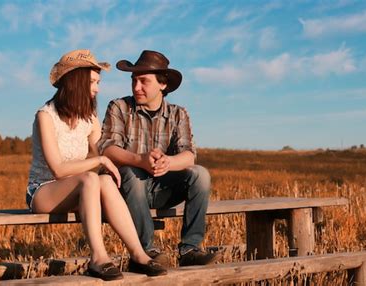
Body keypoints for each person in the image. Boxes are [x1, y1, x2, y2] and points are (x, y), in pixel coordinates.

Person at [26, 49, 167, 281]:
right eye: (93, 82)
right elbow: (58, 170)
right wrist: (101, 161)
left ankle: (139, 254)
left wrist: (132, 164)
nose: (97, 88)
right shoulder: (46, 116)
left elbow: (102, 153)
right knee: (91, 178)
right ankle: (99, 257)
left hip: (79, 189)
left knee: (101, 180)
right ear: (77, 81)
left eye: (98, 82)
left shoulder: (89, 119)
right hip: (43, 191)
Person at [98, 50, 220, 267]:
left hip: (162, 188)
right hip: (125, 191)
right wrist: (139, 159)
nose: (136, 87)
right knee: (132, 173)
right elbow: (107, 148)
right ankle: (146, 251)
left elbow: (189, 154)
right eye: (134, 81)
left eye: (143, 81)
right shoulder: (119, 107)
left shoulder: (178, 114)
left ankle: (190, 249)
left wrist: (168, 162)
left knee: (200, 175)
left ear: (162, 85)